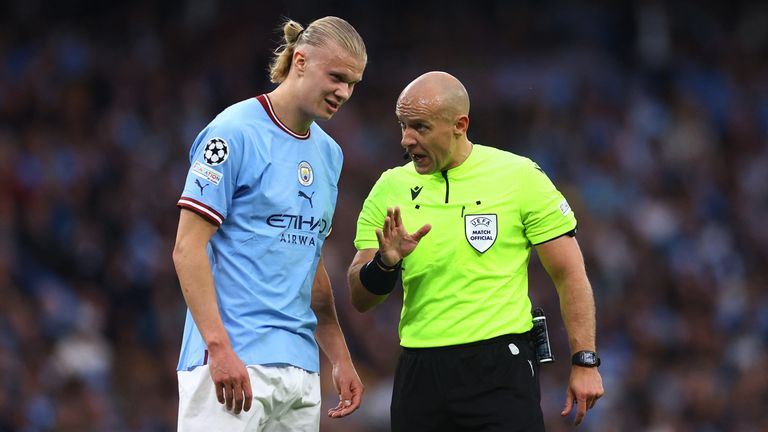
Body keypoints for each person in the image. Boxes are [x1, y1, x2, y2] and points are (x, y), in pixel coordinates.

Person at [347, 71, 604, 431]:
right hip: (420, 372)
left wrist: (585, 360)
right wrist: (384, 263)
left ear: (459, 124)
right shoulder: (391, 187)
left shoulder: (519, 177)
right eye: (402, 125)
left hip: (499, 367)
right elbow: (360, 297)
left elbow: (569, 273)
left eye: (420, 127)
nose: (406, 139)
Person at [172, 16, 366, 431]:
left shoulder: (330, 155)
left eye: (352, 84)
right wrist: (218, 347)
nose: (343, 93)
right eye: (336, 77)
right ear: (300, 60)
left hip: (299, 372)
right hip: (231, 364)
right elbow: (187, 247)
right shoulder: (232, 133)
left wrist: (339, 355)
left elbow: (308, 260)